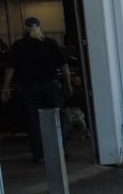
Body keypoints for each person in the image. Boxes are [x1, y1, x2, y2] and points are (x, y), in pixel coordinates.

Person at [1, 16, 73, 162]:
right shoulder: (50, 43)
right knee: (57, 118)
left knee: (34, 122)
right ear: (40, 26)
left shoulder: (18, 45)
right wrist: (68, 84)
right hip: (51, 86)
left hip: (30, 88)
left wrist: (6, 88)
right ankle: (59, 150)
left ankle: (40, 154)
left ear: (25, 28)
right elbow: (64, 66)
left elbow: (10, 69)